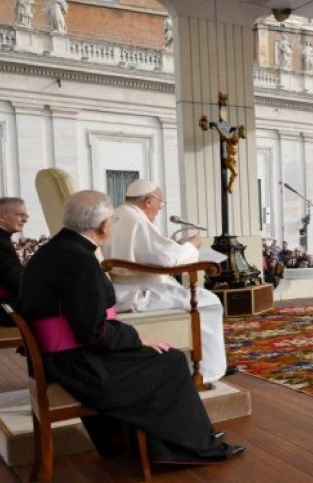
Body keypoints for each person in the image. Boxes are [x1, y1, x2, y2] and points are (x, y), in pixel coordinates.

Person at [16, 190, 244, 464]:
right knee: (170, 361)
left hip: (59, 357)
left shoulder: (54, 250)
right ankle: (190, 446)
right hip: (77, 364)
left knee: (159, 357)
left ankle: (165, 440)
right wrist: (137, 336)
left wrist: (132, 337)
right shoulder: (80, 261)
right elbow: (93, 332)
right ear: (103, 226)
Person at [101, 179, 230, 382]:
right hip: (138, 292)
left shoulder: (117, 214)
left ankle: (195, 363)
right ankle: (205, 370)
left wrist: (177, 247)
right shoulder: (137, 220)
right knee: (208, 302)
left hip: (123, 288)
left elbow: (152, 252)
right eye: (160, 203)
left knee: (189, 294)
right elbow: (166, 259)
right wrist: (191, 246)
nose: (160, 208)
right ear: (148, 201)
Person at [0, 197, 29, 324]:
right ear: (2, 216)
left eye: (26, 216)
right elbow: (14, 281)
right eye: (20, 215)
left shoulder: (4, 239)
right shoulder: (1, 243)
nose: (25, 220)